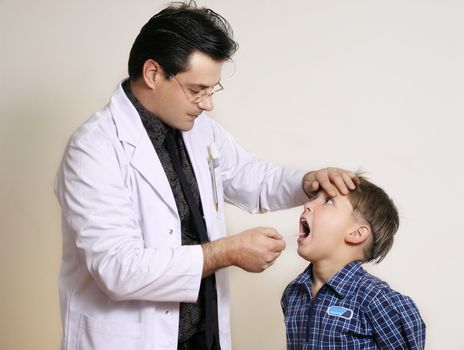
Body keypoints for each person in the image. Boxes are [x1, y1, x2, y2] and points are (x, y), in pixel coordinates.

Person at [54, 2, 358, 350]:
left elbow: (249, 176)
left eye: (212, 90)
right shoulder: (94, 148)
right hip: (134, 338)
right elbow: (118, 268)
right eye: (197, 90)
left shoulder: (200, 130)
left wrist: (307, 182)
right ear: (153, 74)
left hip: (203, 335)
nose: (207, 104)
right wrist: (226, 252)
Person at [281, 174, 426, 349]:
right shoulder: (293, 293)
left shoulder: (377, 300)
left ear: (356, 234)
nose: (307, 204)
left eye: (327, 201)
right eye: (313, 198)